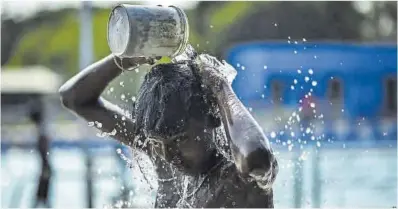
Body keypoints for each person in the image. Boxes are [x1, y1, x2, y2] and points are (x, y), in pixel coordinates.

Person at [59, 52, 278, 207]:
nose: (169, 155)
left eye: (181, 139)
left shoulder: (238, 182)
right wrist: (125, 58)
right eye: (156, 143)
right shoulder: (162, 155)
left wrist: (221, 87)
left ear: (213, 118)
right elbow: (74, 98)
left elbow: (257, 159)